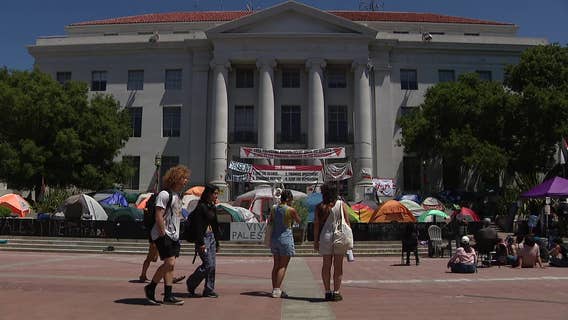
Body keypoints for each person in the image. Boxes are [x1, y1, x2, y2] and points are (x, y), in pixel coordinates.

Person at [144, 165, 190, 305]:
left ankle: (167, 295)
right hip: (163, 234)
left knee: (170, 265)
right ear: (176, 179)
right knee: (169, 262)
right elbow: (159, 215)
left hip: (174, 235)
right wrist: (163, 234)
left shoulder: (178, 196)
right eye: (184, 178)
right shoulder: (165, 194)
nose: (186, 181)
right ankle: (151, 287)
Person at [313, 182, 351, 301]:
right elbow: (347, 223)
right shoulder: (341, 205)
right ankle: (336, 291)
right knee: (338, 266)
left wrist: (316, 241)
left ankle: (327, 291)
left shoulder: (319, 207)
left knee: (326, 265)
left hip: (325, 236)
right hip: (339, 236)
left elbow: (316, 225)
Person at [185, 184, 222, 298]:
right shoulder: (201, 207)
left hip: (211, 238)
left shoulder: (212, 207)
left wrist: (217, 242)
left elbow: (215, 226)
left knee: (212, 265)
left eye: (217, 193)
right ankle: (191, 282)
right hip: (203, 238)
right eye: (215, 193)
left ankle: (209, 289)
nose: (216, 196)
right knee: (208, 264)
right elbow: (198, 226)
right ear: (208, 194)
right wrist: (200, 242)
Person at [268, 189, 301, 298]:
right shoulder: (290, 210)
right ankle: (277, 290)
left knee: (276, 265)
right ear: (288, 199)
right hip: (285, 238)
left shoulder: (274, 209)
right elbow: (299, 220)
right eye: (291, 199)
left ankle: (274, 288)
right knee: (283, 265)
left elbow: (270, 221)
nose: (292, 201)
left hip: (274, 238)